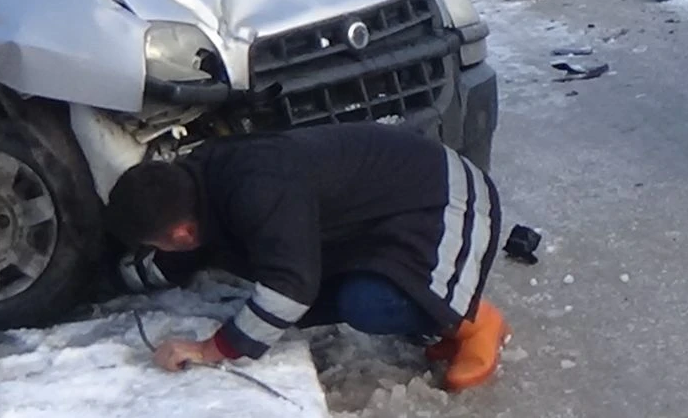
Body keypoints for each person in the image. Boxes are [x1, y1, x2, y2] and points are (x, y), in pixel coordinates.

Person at [105, 123, 513, 392]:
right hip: (374, 219)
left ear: (182, 233)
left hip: (443, 200)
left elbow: (290, 288)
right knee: (290, 302)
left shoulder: (255, 188)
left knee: (366, 304)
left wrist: (210, 349)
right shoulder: (196, 191)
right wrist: (95, 282)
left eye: (159, 244)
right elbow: (169, 263)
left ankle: (471, 320)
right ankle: (429, 305)